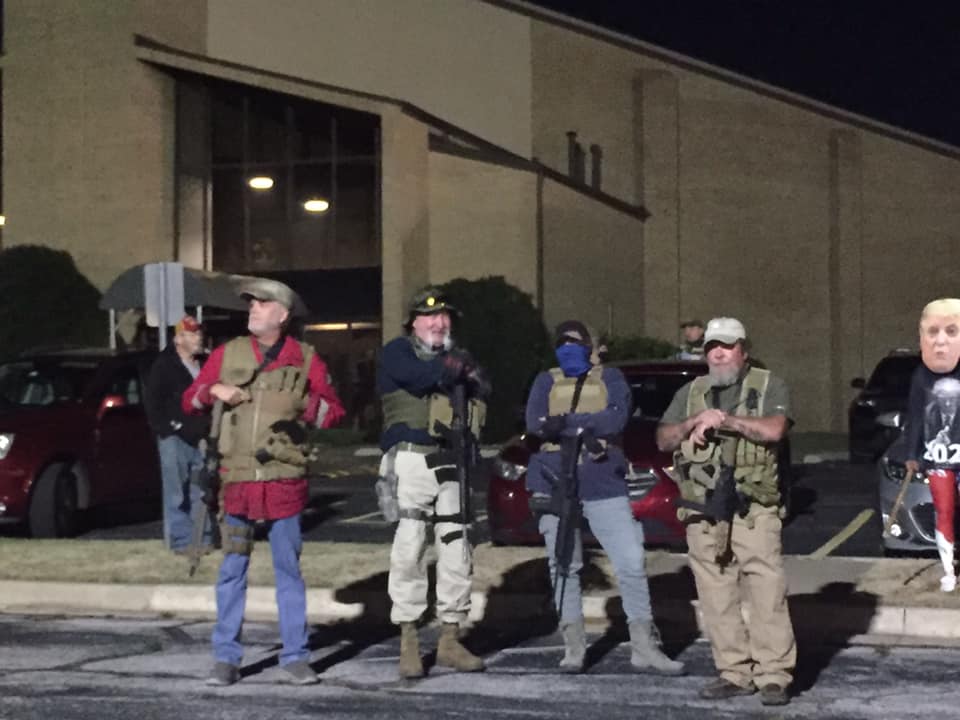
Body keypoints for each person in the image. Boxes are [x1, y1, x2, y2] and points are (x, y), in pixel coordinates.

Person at [182, 278, 345, 687]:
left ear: (283, 315)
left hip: (283, 484)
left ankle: (295, 656)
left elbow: (335, 414)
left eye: (262, 303)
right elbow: (190, 399)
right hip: (236, 483)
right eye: (251, 303)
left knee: (288, 571)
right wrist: (213, 388)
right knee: (232, 570)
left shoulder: (305, 360)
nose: (253, 309)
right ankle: (226, 658)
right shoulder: (228, 353)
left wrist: (303, 405)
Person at [525, 320, 683, 675]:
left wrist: (566, 423)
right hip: (555, 480)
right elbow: (535, 422)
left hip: (603, 482)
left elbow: (615, 419)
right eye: (562, 342)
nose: (568, 347)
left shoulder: (610, 379)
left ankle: (644, 646)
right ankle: (574, 647)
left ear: (590, 347)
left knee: (630, 561)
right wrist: (581, 424)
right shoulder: (545, 380)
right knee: (564, 564)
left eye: (575, 341)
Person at [656, 317, 794, 706]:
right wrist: (693, 422)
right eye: (712, 346)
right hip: (703, 509)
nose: (718, 352)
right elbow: (663, 438)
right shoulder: (691, 391)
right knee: (717, 594)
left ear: (743, 350)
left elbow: (775, 430)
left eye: (727, 345)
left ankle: (774, 675)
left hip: (753, 508)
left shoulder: (769, 385)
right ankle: (734, 672)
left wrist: (725, 420)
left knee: (766, 591)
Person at [377, 286, 489, 679]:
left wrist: (465, 372)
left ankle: (449, 638)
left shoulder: (456, 357)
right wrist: (454, 369)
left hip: (452, 461)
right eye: (429, 317)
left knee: (457, 549)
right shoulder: (397, 351)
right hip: (411, 458)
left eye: (444, 317)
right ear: (413, 323)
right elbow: (418, 376)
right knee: (410, 547)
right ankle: (408, 640)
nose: (438, 323)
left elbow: (483, 387)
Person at [903, 299, 960, 592]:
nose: (941, 342)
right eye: (933, 332)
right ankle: (948, 569)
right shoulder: (921, 376)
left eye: (952, 331)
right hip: (938, 459)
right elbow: (914, 416)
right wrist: (912, 453)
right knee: (945, 511)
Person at [144, 314, 212, 553]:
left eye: (198, 333)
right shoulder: (164, 365)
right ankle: (182, 541)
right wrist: (171, 428)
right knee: (176, 492)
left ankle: (202, 538)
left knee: (200, 490)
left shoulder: (205, 363)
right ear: (178, 338)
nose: (198, 338)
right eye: (192, 334)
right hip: (175, 439)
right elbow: (153, 404)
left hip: (201, 438)